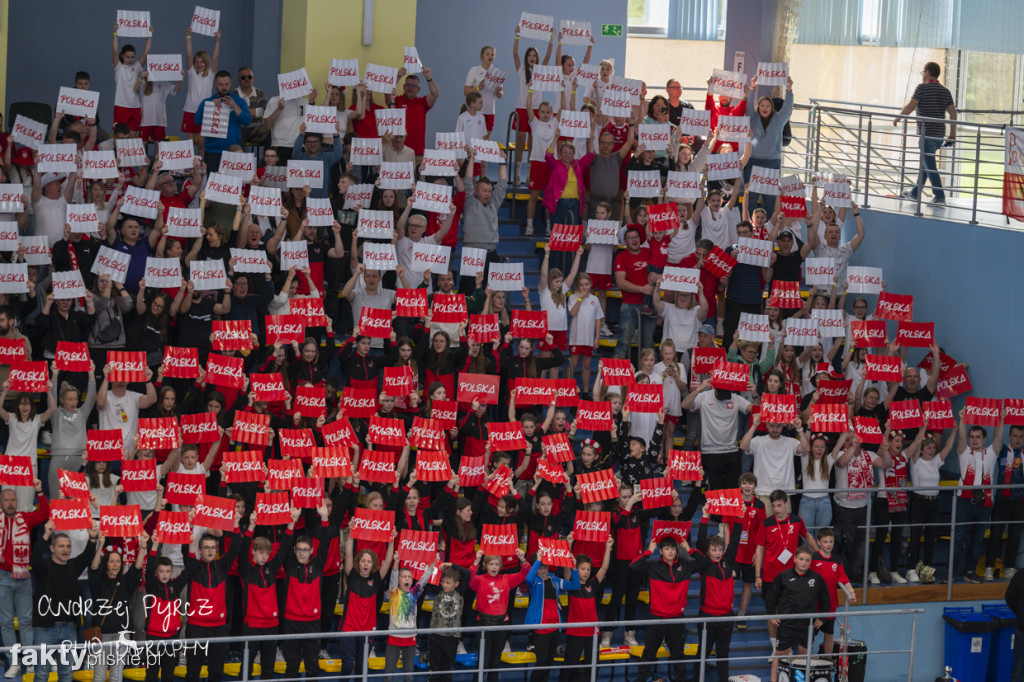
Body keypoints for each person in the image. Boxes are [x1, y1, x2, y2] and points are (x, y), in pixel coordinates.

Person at [31, 520, 98, 682]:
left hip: (68, 628)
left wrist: (92, 539)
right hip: (45, 629)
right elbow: (33, 559)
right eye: (61, 546)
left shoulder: (73, 566)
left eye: (68, 546)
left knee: (67, 675)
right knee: (41, 674)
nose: (66, 549)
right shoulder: (43, 567)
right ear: (52, 549)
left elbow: (88, 556)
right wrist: (46, 535)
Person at [183, 522, 244, 682]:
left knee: (216, 673)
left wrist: (236, 524)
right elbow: (185, 549)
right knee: (192, 673)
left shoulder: (222, 566)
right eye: (206, 547)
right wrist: (189, 526)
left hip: (219, 628)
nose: (210, 551)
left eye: (212, 547)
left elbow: (237, 545)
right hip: (196, 627)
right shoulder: (193, 568)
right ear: (199, 550)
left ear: (217, 550)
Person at [630, 536, 697, 682]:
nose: (671, 551)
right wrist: (648, 551)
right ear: (660, 551)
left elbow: (704, 563)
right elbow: (633, 566)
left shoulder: (685, 566)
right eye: (667, 548)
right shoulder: (653, 566)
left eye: (673, 548)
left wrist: (690, 550)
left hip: (676, 618)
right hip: (656, 618)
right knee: (648, 654)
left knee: (678, 656)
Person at [0, 484, 47, 679]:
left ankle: (28, 661)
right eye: (6, 500)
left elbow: (45, 512)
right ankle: (13, 662)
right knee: (5, 623)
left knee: (27, 622)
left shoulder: (25, 518)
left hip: (24, 578)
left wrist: (39, 491)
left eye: (13, 500)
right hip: (2, 577)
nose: (10, 504)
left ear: (17, 502)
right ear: (1, 503)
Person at [763, 545, 830, 682]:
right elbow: (771, 597)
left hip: (807, 626)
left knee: (804, 654)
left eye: (807, 560)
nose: (804, 562)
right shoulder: (783, 576)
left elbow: (825, 600)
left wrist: (822, 619)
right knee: (780, 654)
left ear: (810, 561)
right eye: (801, 559)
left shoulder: (817, 578)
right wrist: (771, 615)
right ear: (794, 559)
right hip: (787, 624)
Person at [895, 61, 957, 208]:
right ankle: (915, 193)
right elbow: (953, 113)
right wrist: (952, 133)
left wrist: (898, 117)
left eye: (923, 72)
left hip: (926, 133)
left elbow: (911, 105)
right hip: (939, 135)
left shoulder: (922, 88)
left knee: (929, 165)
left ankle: (939, 196)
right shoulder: (945, 91)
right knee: (926, 163)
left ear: (927, 72)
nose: (922, 75)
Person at [690, 507, 737, 681]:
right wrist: (704, 516)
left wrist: (739, 518)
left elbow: (735, 540)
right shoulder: (704, 565)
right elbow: (701, 541)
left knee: (723, 654)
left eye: (720, 549)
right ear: (707, 551)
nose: (718, 553)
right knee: (703, 652)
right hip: (707, 617)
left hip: (726, 617)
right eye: (714, 550)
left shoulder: (728, 561)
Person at [681, 378, 752, 492]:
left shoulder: (735, 398)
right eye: (722, 394)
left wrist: (754, 394)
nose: (725, 397)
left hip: (731, 450)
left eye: (727, 394)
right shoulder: (704, 396)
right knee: (716, 491)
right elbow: (685, 405)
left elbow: (757, 409)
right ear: (715, 389)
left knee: (733, 491)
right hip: (710, 451)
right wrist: (699, 389)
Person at [956, 409, 999, 583]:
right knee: (958, 538)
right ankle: (953, 573)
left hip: (985, 503)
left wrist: (1000, 420)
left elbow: (998, 438)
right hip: (964, 502)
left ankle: (970, 572)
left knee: (977, 540)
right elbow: (960, 438)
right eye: (972, 436)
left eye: (977, 437)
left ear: (984, 439)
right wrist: (961, 420)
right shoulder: (964, 452)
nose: (974, 439)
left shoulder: (991, 454)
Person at [745, 77, 794, 216]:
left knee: (770, 198)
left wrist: (789, 90)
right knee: (751, 197)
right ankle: (750, 229)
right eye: (762, 105)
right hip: (753, 162)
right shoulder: (753, 119)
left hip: (772, 163)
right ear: (758, 107)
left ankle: (769, 229)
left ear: (771, 107)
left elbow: (788, 109)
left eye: (767, 105)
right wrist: (753, 87)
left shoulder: (779, 120)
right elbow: (749, 107)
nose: (765, 108)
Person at [811, 527, 857, 656]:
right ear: (819, 542)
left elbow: (844, 579)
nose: (828, 544)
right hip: (813, 605)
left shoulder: (836, 561)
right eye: (825, 542)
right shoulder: (813, 558)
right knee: (809, 636)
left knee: (829, 634)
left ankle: (828, 660)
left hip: (830, 605)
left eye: (831, 541)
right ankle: (805, 661)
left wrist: (851, 592)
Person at [193, 70, 252, 171]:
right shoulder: (207, 101)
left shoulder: (239, 101)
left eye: (227, 84)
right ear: (215, 84)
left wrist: (234, 106)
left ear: (231, 84)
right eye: (220, 84)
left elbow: (247, 121)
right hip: (212, 151)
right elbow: (196, 121)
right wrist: (210, 107)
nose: (224, 87)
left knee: (233, 183)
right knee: (212, 184)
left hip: (233, 151)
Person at [989, 418, 1023, 581]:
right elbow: (997, 438)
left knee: (1015, 537)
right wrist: (1001, 421)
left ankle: (1010, 567)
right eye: (1015, 435)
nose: (1018, 439)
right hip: (1002, 501)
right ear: (1010, 436)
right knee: (995, 535)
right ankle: (989, 566)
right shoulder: (1002, 450)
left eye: (1021, 436)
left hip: (1020, 503)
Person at [613, 225, 655, 357]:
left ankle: (649, 376)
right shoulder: (621, 256)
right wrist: (642, 289)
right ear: (625, 241)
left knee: (648, 343)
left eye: (636, 236)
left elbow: (661, 270)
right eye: (630, 238)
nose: (634, 240)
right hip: (629, 305)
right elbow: (620, 282)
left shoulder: (649, 252)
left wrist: (658, 277)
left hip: (649, 305)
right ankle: (615, 374)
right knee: (624, 342)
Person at [461, 146, 509, 258]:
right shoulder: (469, 203)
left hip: (491, 252)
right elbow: (468, 182)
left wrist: (502, 162)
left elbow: (502, 185)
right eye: (484, 191)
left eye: (489, 191)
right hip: (471, 253)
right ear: (476, 191)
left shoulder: (493, 204)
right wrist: (472, 159)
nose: (487, 194)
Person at [389, 68, 440, 157]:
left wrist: (429, 77)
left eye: (414, 86)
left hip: (417, 153)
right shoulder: (396, 100)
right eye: (408, 85)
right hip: (397, 152)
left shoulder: (422, 103)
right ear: (404, 87)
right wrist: (397, 77)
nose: (410, 88)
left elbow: (435, 94)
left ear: (419, 89)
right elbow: (387, 93)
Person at [112, 26, 152, 133]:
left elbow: (146, 52)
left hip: (135, 106)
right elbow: (115, 51)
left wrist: (149, 35)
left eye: (132, 57)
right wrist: (115, 33)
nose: (130, 59)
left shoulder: (137, 67)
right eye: (127, 57)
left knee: (132, 137)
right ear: (122, 56)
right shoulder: (118, 67)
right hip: (121, 106)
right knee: (121, 137)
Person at [235, 66, 268, 145]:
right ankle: (239, 157)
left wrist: (243, 112)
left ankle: (268, 157)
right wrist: (254, 113)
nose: (247, 79)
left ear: (254, 78)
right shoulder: (234, 94)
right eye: (243, 77)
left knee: (269, 136)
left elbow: (263, 112)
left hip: (257, 129)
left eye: (249, 77)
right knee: (236, 136)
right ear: (239, 79)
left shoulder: (261, 93)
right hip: (240, 128)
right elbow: (234, 115)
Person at [1005, 567, 1024, 682]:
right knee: (1018, 670)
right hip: (1022, 629)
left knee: (1018, 670)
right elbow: (1010, 597)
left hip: (1022, 627)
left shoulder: (1021, 573)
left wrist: (1020, 613)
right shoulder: (1021, 574)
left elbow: (1010, 597)